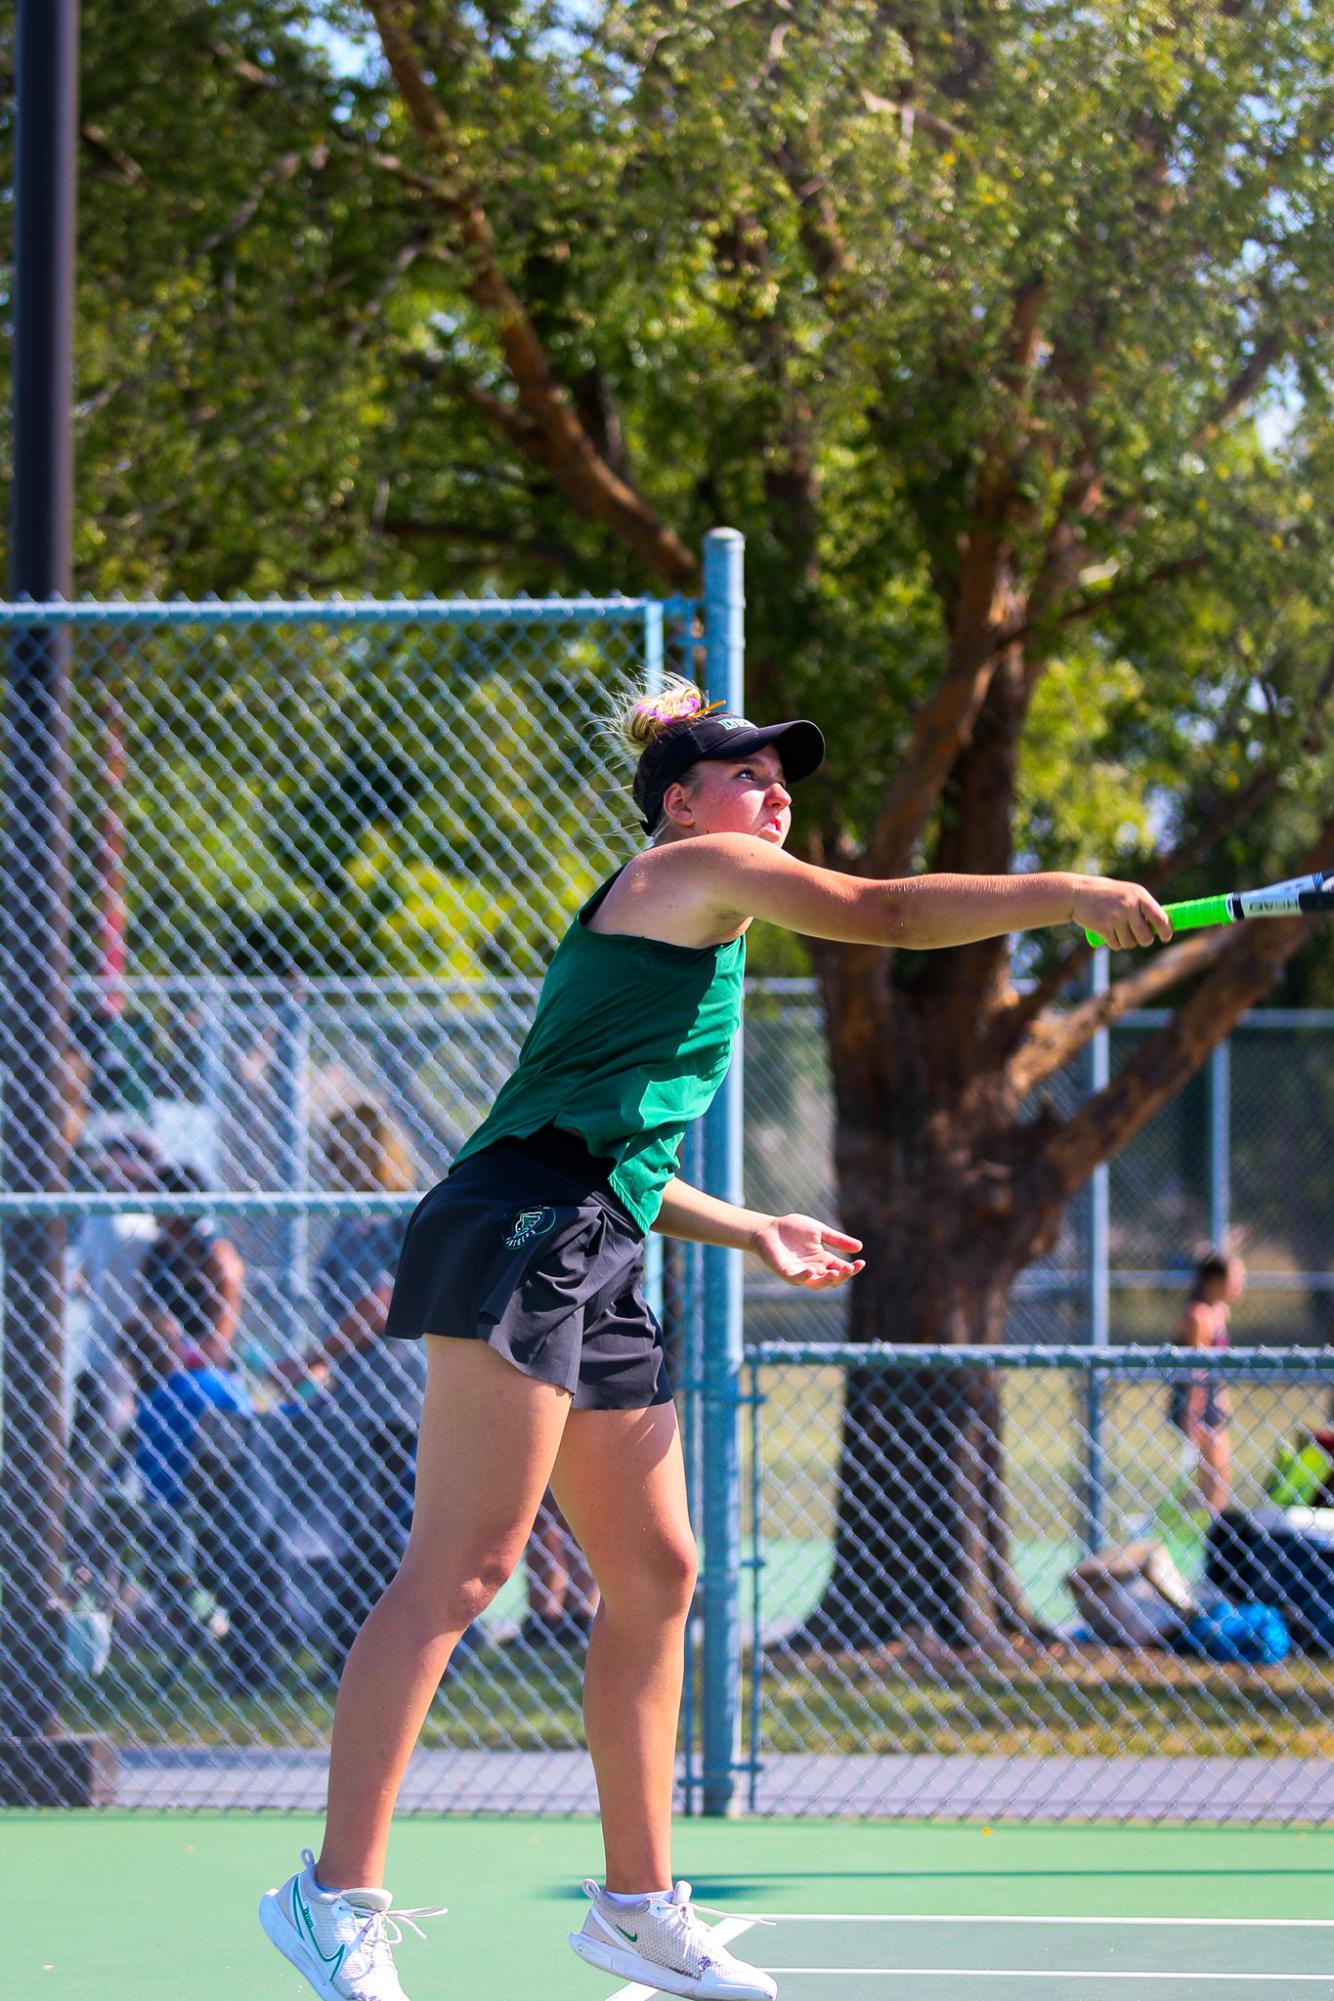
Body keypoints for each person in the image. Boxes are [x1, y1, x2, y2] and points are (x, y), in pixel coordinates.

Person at [259, 674, 1170, 2001]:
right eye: (747, 775)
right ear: (679, 807)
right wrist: (1068, 891)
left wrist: (745, 1228)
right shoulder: (693, 870)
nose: (773, 793)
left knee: (662, 1571)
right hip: (518, 1228)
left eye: (778, 776)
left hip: (597, 1232)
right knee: (462, 1571)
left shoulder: (705, 920)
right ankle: (330, 1895)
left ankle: (634, 1910)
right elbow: (887, 912)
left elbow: (605, 1139)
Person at [272, 1103, 428, 1675]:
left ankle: (408, 1651)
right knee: (363, 1521)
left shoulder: (396, 1218)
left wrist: (311, 1359)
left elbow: (380, 1306)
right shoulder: (348, 1219)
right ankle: (357, 1648)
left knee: (390, 1522)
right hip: (355, 1398)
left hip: (392, 1395)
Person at [1169, 1248, 1246, 1513]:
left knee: (1220, 1478)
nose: (1240, 1285)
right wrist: (1194, 1417)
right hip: (1196, 1402)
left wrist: (1223, 1400)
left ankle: (1208, 1530)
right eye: (1235, 1277)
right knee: (1213, 1481)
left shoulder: (1220, 1312)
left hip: (1212, 1401)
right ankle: (1205, 1535)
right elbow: (1196, 1372)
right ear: (1213, 1281)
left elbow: (1217, 1369)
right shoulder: (1197, 1315)